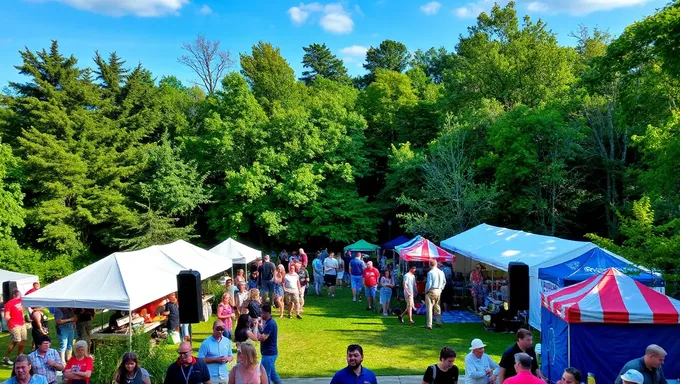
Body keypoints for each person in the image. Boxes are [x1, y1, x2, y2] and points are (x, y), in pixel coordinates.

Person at [256, 303, 281, 384]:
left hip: (268, 354)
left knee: (265, 376)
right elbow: (264, 333)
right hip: (270, 353)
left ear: (267, 313)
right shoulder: (268, 322)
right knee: (273, 375)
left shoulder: (270, 324)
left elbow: (263, 338)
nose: (261, 314)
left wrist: (256, 331)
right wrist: (260, 329)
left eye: (262, 312)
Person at [4, 289, 27, 365]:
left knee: (23, 340)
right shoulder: (9, 303)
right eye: (17, 294)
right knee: (17, 340)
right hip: (14, 324)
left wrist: (23, 310)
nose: (19, 295)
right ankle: (8, 357)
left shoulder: (22, 301)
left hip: (22, 324)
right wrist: (10, 323)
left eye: (19, 294)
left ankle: (20, 356)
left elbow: (25, 307)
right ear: (13, 295)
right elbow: (6, 315)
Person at [424, 259, 446, 330]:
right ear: (436, 264)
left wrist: (426, 291)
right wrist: (441, 289)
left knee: (429, 308)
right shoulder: (441, 272)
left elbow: (429, 284)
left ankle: (429, 325)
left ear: (430, 264)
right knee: (437, 306)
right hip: (439, 290)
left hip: (431, 290)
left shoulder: (430, 272)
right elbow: (444, 282)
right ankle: (438, 322)